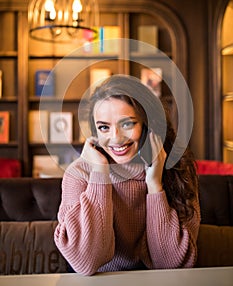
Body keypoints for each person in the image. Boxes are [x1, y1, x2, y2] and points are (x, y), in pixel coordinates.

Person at [54, 74, 201, 276]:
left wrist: (154, 184)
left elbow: (172, 266)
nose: (115, 138)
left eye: (127, 124)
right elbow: (86, 263)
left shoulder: (179, 169)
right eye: (104, 127)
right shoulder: (79, 174)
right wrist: (99, 173)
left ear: (148, 124)